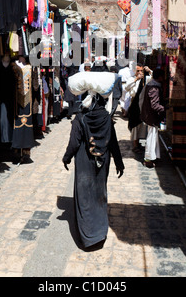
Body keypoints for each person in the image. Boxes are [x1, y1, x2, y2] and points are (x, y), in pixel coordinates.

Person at [62, 71, 125, 249]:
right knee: (99, 195)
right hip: (103, 161)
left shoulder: (80, 118)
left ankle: (87, 236)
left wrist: (66, 158)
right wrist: (119, 163)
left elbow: (74, 142)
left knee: (84, 196)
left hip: (83, 161)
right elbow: (113, 141)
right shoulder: (106, 118)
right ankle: (99, 232)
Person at [140, 68, 165, 168]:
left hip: (149, 115)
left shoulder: (151, 85)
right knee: (151, 137)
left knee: (153, 136)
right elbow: (154, 105)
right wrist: (164, 109)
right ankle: (148, 158)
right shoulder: (154, 88)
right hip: (151, 116)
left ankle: (153, 156)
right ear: (159, 77)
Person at [126, 63, 152, 153]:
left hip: (143, 104)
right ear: (134, 71)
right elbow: (126, 88)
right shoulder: (131, 79)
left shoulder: (146, 79)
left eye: (141, 71)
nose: (140, 72)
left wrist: (149, 71)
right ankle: (135, 145)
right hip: (134, 105)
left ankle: (139, 143)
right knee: (134, 125)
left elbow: (153, 78)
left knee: (142, 125)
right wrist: (136, 79)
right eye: (138, 71)